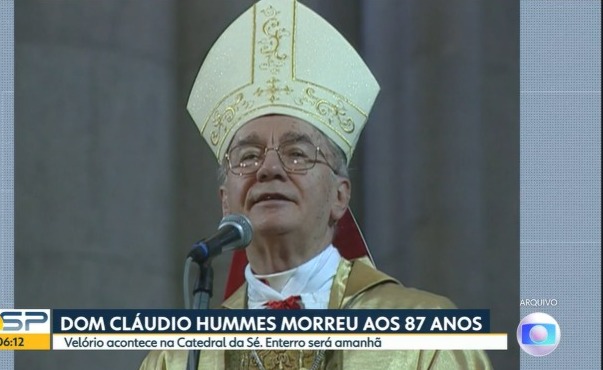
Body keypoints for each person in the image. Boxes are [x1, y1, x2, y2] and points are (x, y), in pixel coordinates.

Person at [140, 0, 493, 368]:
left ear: (340, 196)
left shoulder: (424, 337)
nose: (268, 169)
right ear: (226, 202)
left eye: (297, 153)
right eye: (248, 156)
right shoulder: (181, 356)